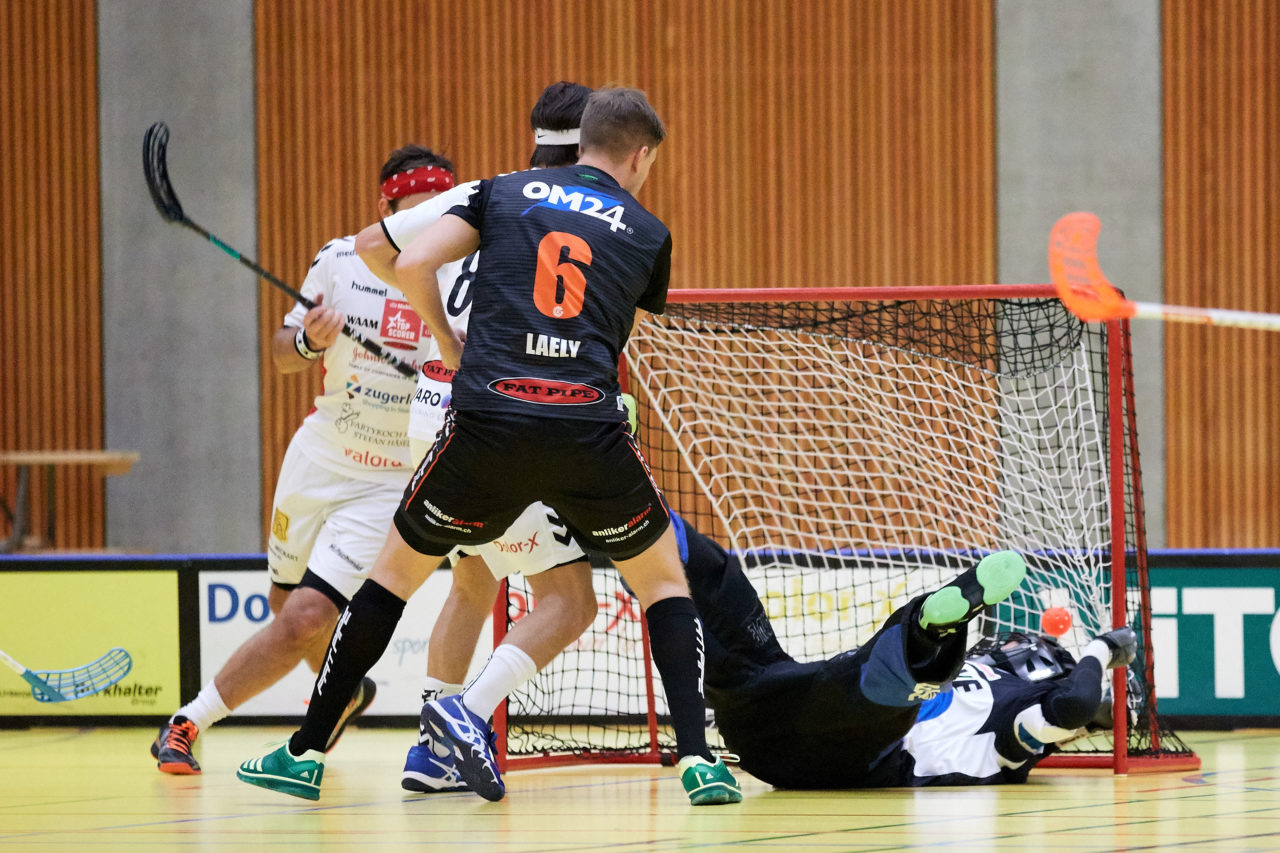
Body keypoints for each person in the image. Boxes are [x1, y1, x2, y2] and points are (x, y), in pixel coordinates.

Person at [237, 86, 741, 807]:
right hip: (585, 428)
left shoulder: (498, 192)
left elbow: (409, 261)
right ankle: (697, 760)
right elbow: (610, 322)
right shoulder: (647, 231)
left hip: (485, 422)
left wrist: (450, 345)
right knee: (661, 583)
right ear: (640, 156)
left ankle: (305, 752)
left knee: (394, 578)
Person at [149, 145, 456, 775]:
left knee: (306, 616)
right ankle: (347, 692)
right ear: (386, 209)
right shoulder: (339, 260)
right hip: (316, 460)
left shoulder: (459, 277)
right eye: (414, 213)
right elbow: (282, 353)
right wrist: (309, 342)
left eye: (438, 214)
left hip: (388, 480)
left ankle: (186, 723)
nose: (427, 228)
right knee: (282, 603)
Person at [672, 511, 1138, 788]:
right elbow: (1081, 707)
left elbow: (1075, 704)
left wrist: (1101, 648)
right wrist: (1100, 684)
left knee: (876, 685)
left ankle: (925, 633)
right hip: (772, 738)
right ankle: (649, 516)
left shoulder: (1020, 704)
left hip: (836, 744)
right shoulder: (1019, 720)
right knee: (744, 628)